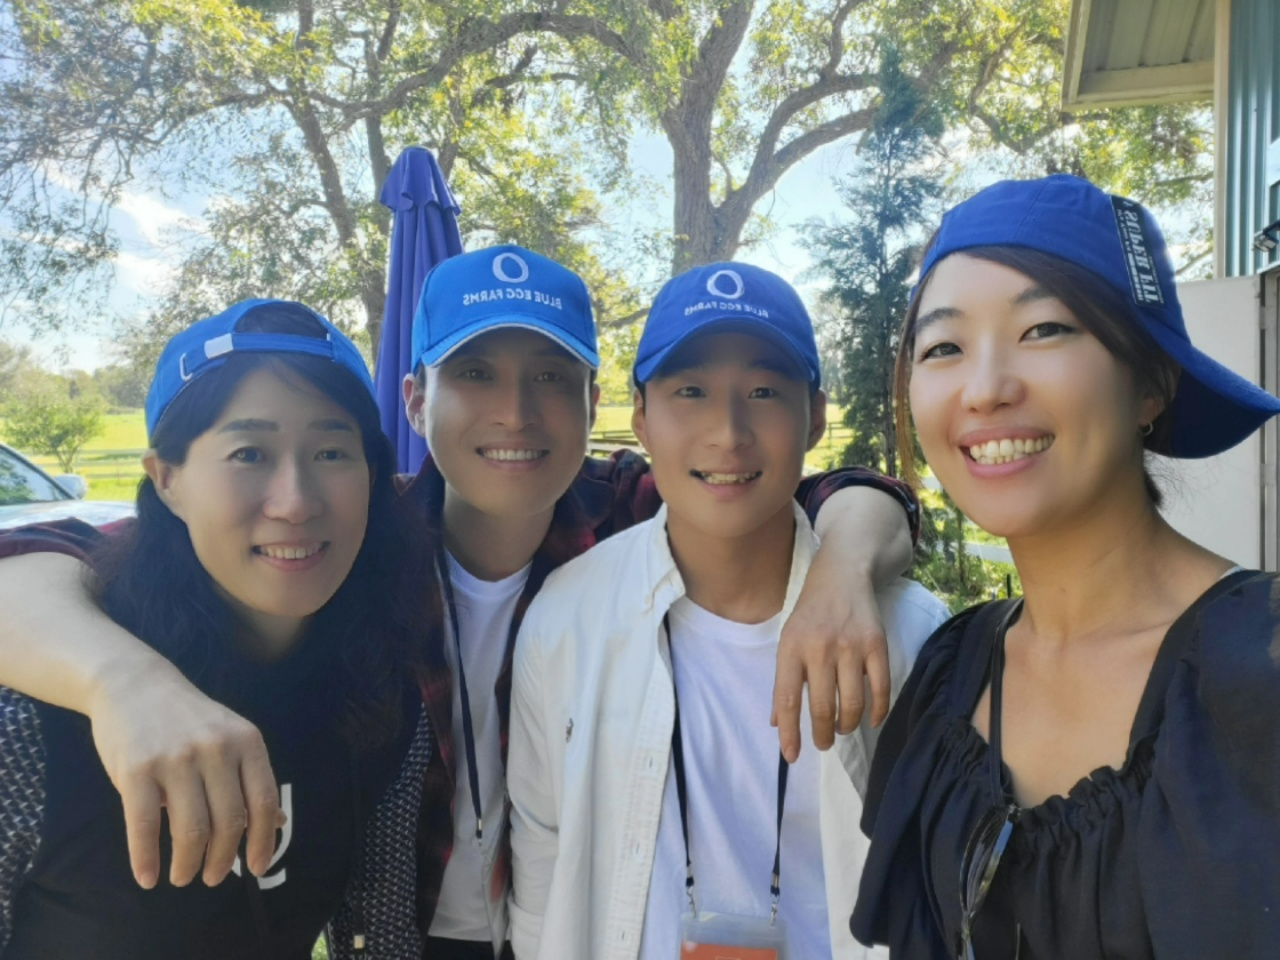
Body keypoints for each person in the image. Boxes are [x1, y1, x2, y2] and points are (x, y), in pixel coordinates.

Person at [0, 246, 921, 959]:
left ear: (598, 402)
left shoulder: (631, 516)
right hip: (412, 930)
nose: (515, 413)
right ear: (415, 399)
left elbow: (803, 489)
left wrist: (844, 567)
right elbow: (49, 559)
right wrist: (125, 682)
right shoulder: (347, 543)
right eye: (475, 373)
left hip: (576, 921)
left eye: (551, 377)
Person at [850, 175, 1280, 960]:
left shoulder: (1263, 666)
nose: (984, 389)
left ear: (1152, 382)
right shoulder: (949, 679)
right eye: (943, 347)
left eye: (1044, 329)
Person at [507, 262, 949, 960]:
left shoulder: (909, 635)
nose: (729, 431)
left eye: (765, 391)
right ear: (641, 418)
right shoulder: (566, 618)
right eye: (691, 391)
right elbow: (541, 865)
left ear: (816, 417)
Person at [0, 300, 433, 958]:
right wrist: (124, 685)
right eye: (249, 453)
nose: (296, 502)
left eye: (331, 452)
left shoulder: (383, 697)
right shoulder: (40, 712)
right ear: (166, 480)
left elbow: (381, 938)